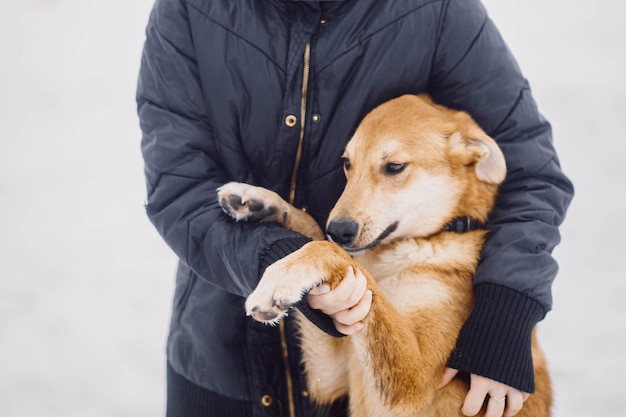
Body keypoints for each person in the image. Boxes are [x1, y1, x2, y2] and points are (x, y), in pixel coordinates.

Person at [136, 0, 573, 416]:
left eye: (394, 167)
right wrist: (293, 250)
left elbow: (530, 170)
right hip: (220, 360)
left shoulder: (437, 11)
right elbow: (179, 188)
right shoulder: (187, 10)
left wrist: (507, 308)